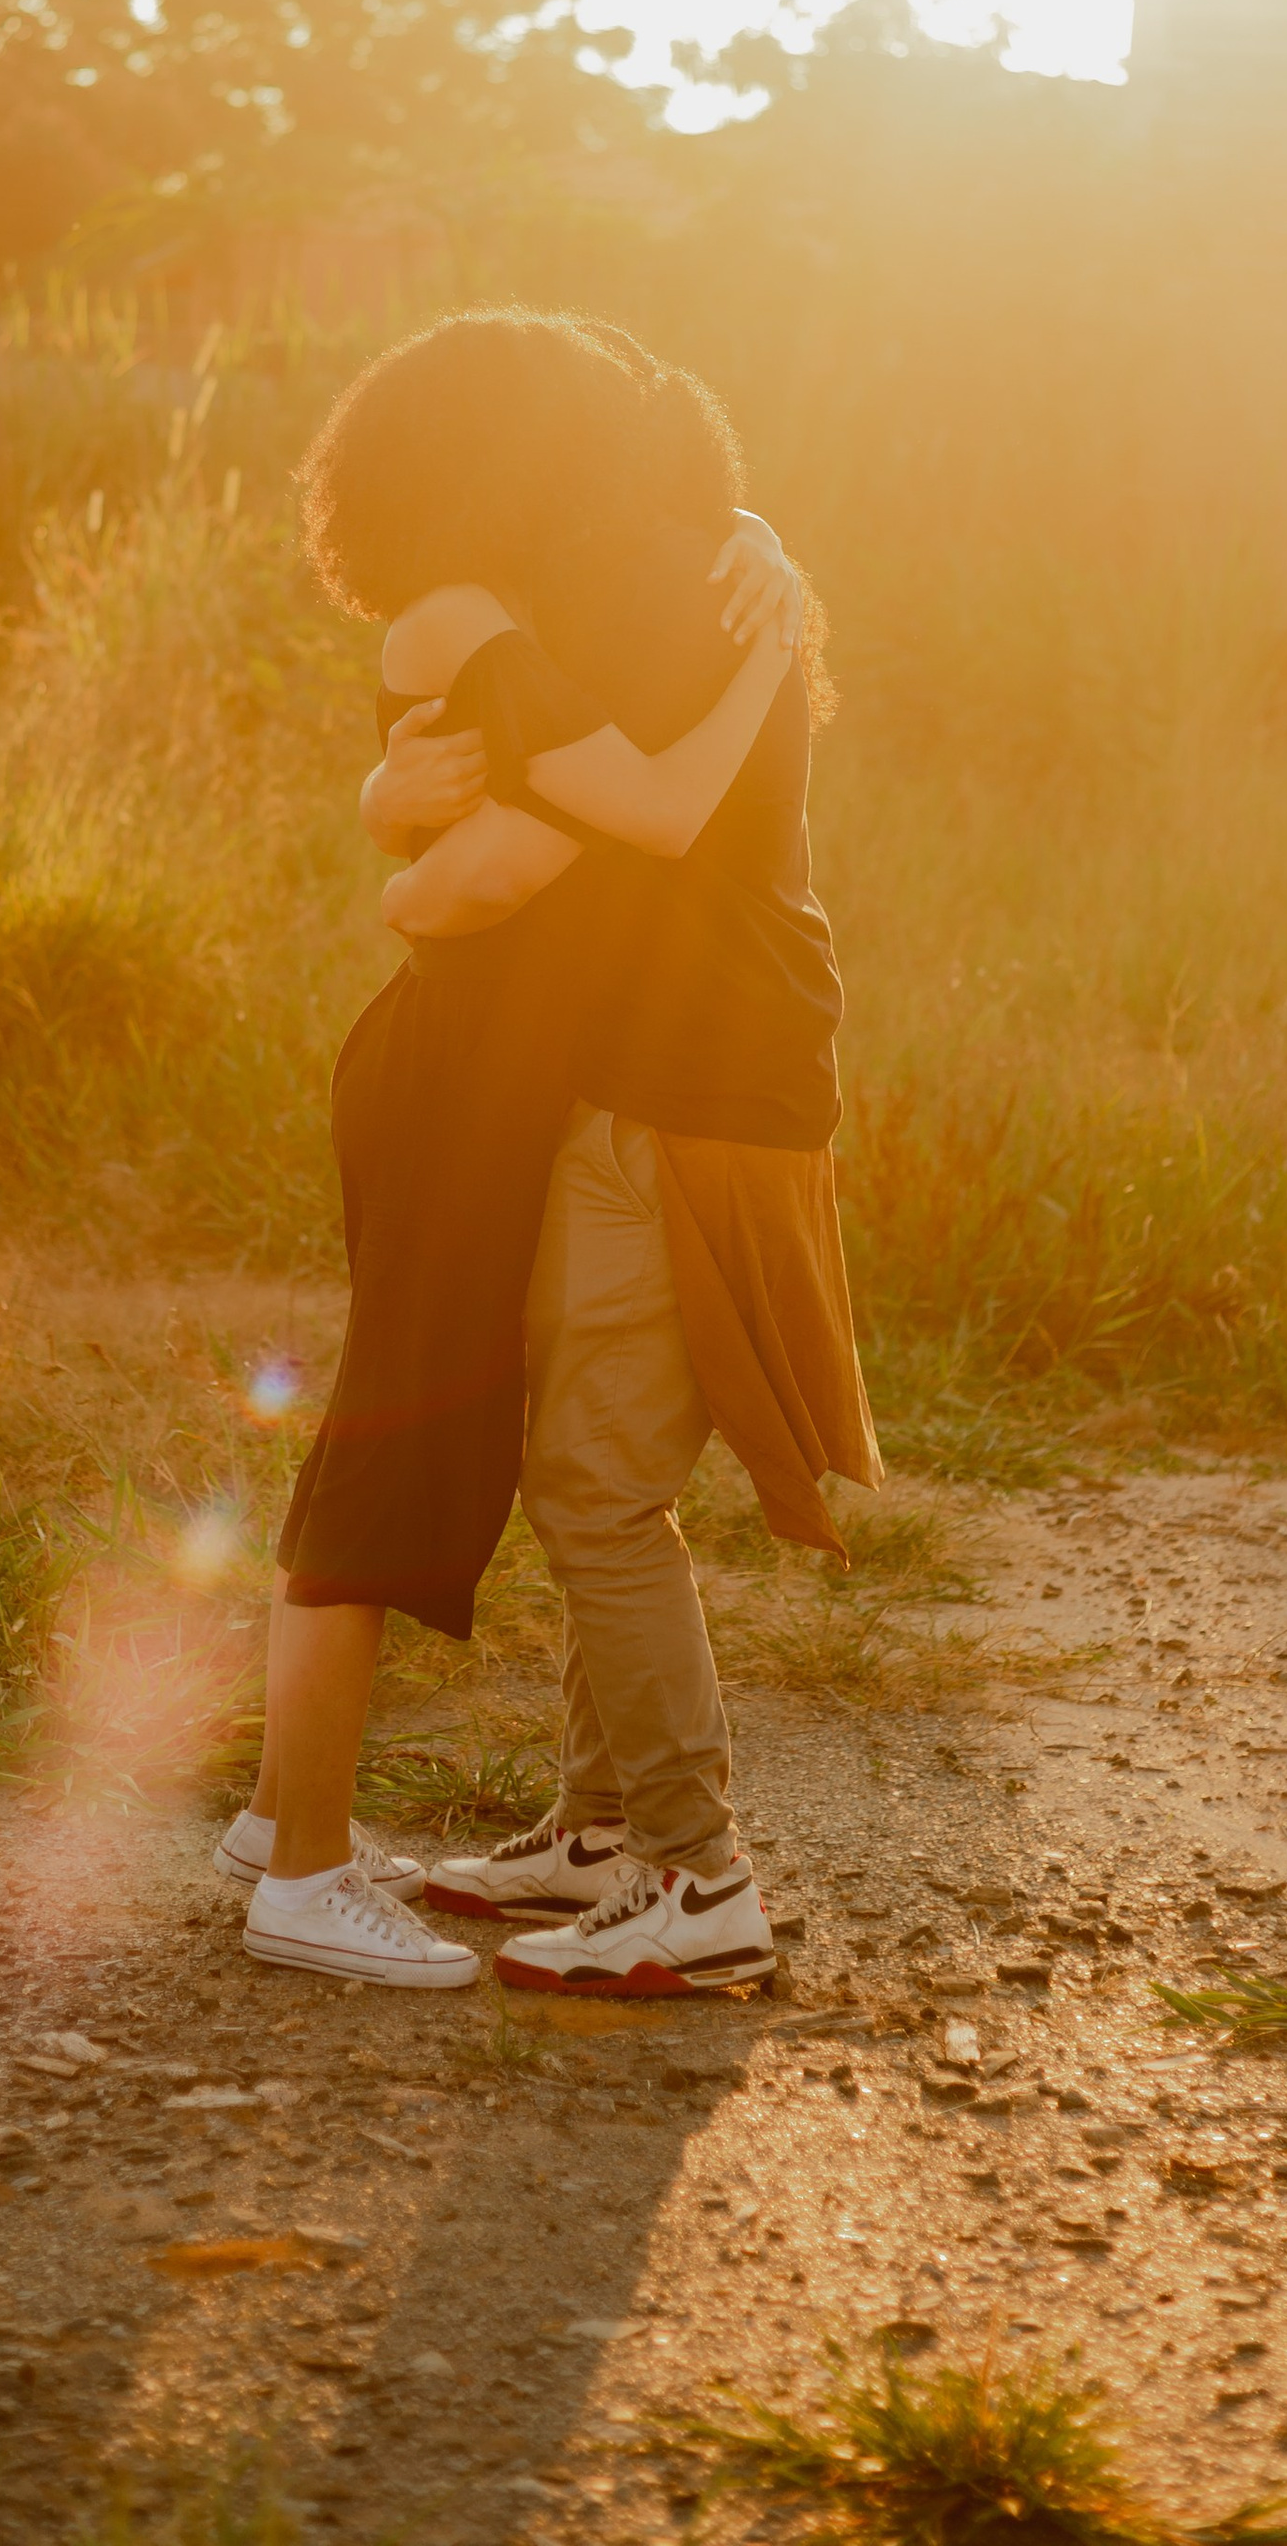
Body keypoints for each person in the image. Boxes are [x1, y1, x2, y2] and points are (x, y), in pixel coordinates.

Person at [221, 312, 806, 1987]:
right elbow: (554, 841)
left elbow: (465, 832)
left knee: (508, 1449)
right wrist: (776, 641)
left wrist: (395, 839)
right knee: (423, 1450)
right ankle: (311, 1861)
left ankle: (319, 1826)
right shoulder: (489, 621)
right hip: (470, 1076)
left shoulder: (538, 614)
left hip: (514, 1076)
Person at [383, 380, 876, 2001]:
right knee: (591, 1464)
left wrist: (406, 879)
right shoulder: (709, 582)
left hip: (690, 1095)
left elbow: (519, 859)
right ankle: (602, 1833)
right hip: (681, 1082)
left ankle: (696, 1875)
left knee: (597, 1489)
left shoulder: (660, 611)